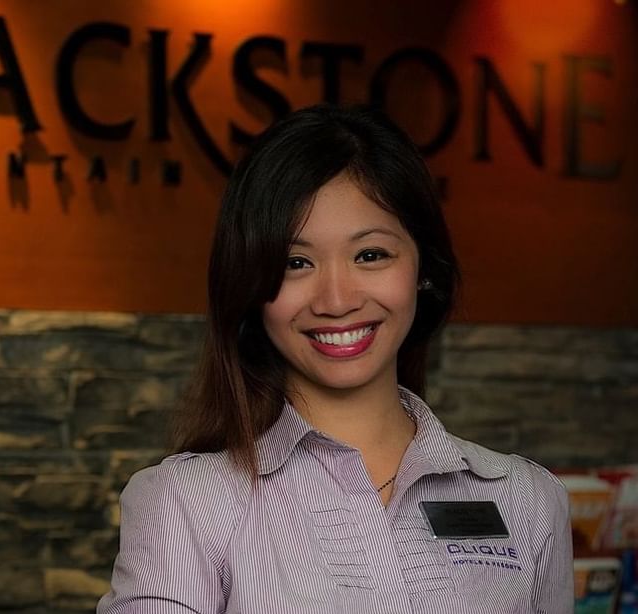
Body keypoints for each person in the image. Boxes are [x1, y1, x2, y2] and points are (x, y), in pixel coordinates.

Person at [97, 104, 573, 613]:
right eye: (295, 263)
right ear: (253, 287)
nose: (336, 299)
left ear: (423, 269)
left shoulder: (528, 501)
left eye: (370, 255)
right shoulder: (187, 503)